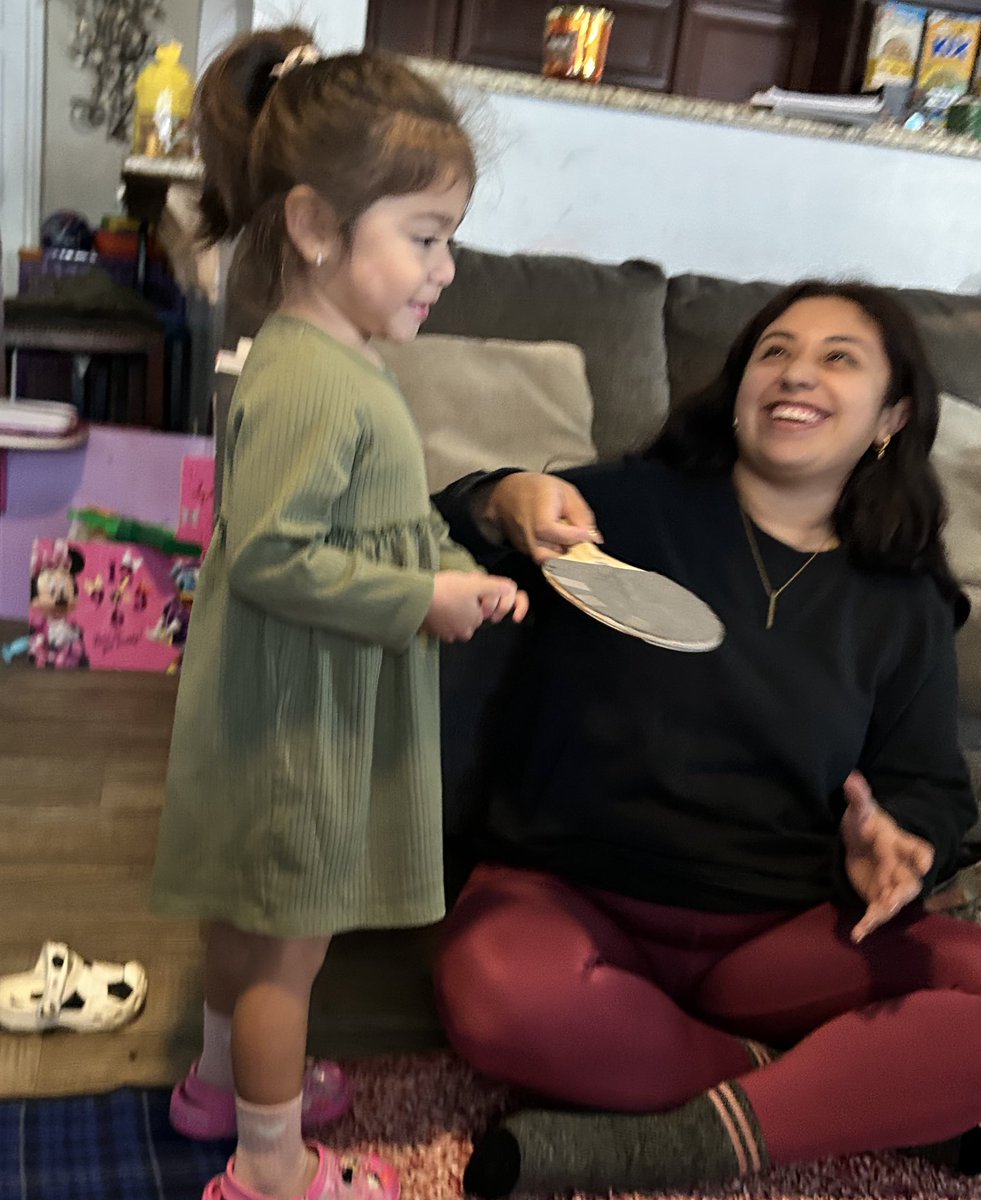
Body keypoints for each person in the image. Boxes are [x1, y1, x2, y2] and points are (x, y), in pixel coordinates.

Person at [430, 281, 981, 1198]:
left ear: (891, 416)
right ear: (738, 385)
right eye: (773, 351)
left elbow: (928, 787)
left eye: (836, 357)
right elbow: (443, 522)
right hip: (566, 898)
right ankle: (834, 1090)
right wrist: (505, 495)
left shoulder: (904, 602)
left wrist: (896, 840)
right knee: (494, 998)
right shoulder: (627, 509)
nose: (795, 372)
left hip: (776, 929)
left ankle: (678, 1134)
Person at [150, 28, 527, 1200]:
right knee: (288, 952)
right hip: (299, 718)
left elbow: (359, 523)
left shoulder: (327, 357)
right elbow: (274, 557)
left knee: (249, 917)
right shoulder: (318, 378)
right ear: (315, 226)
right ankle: (268, 1165)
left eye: (447, 239)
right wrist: (420, 598)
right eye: (425, 237)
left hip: (285, 697)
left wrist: (450, 559)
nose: (444, 268)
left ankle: (223, 1082)